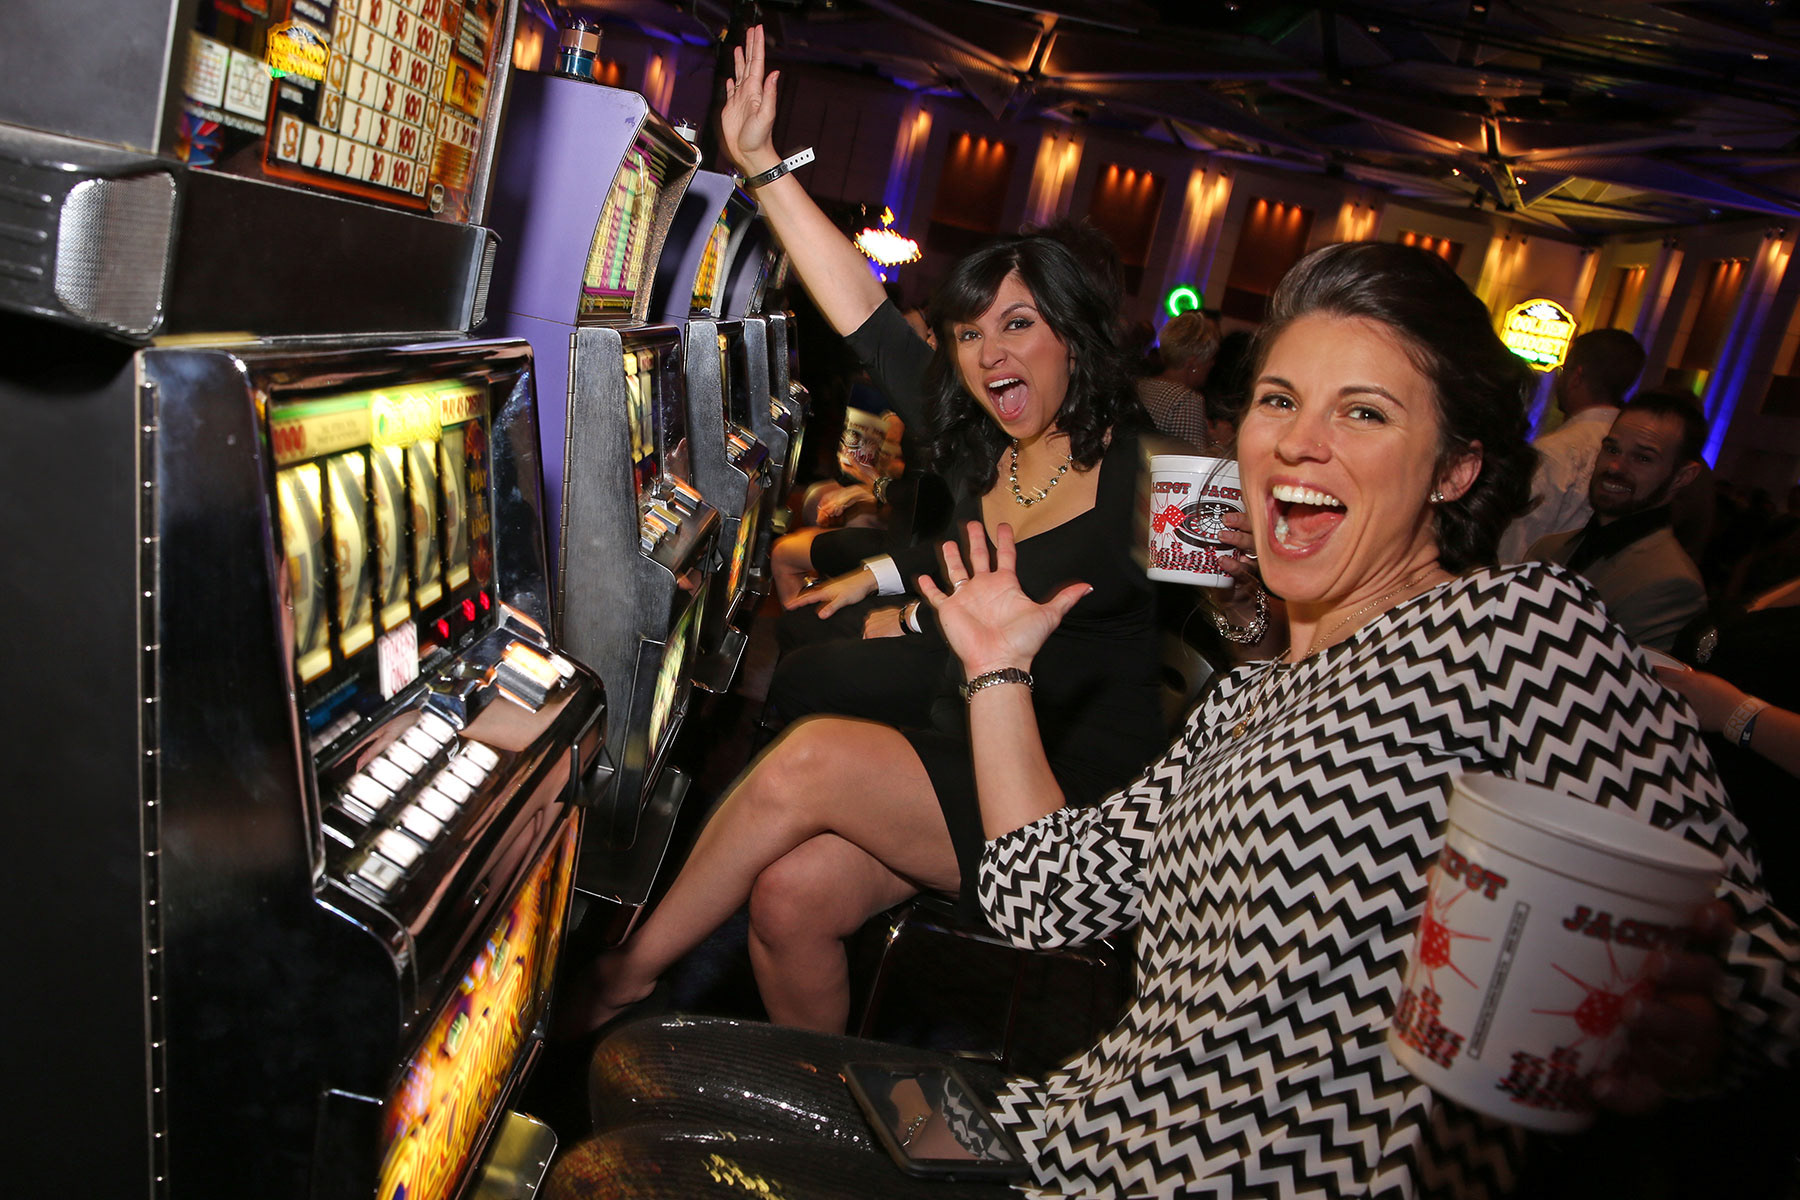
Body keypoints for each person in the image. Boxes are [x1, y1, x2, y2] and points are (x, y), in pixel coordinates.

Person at [545, 242, 1798, 1200]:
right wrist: (996, 674)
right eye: (1280, 402)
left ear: (1458, 468)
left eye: (1364, 413)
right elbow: (1042, 894)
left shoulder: (1522, 629)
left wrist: (1678, 1026)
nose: (1301, 446)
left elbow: (1768, 992)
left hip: (1235, 1177)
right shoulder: (1255, 692)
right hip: (1085, 1126)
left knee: (621, 1177)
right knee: (642, 1068)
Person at [555, 24, 1165, 1037]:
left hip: (1075, 803)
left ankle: (625, 974)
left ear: (1073, 333)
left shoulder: (1147, 474)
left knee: (814, 756)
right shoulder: (980, 442)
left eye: (1017, 324)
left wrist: (1251, 603)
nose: (989, 353)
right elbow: (865, 316)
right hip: (963, 742)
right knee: (790, 898)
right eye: (969, 333)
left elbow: (1260, 597)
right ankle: (829, 1105)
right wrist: (760, 163)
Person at [1525, 388, 1709, 650]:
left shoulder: (1671, 582)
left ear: (1682, 477)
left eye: (1643, 458)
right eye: (1612, 449)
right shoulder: (1548, 548)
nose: (1615, 466)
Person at [1497, 327, 1646, 562]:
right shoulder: (1635, 453)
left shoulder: (1555, 451)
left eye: (1563, 370)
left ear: (1576, 377)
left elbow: (1517, 544)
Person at [1135, 310, 1221, 451]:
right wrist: (1220, 443)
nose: (1212, 364)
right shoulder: (1185, 400)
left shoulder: (1141, 385)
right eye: (1210, 358)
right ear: (1193, 364)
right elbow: (1190, 460)